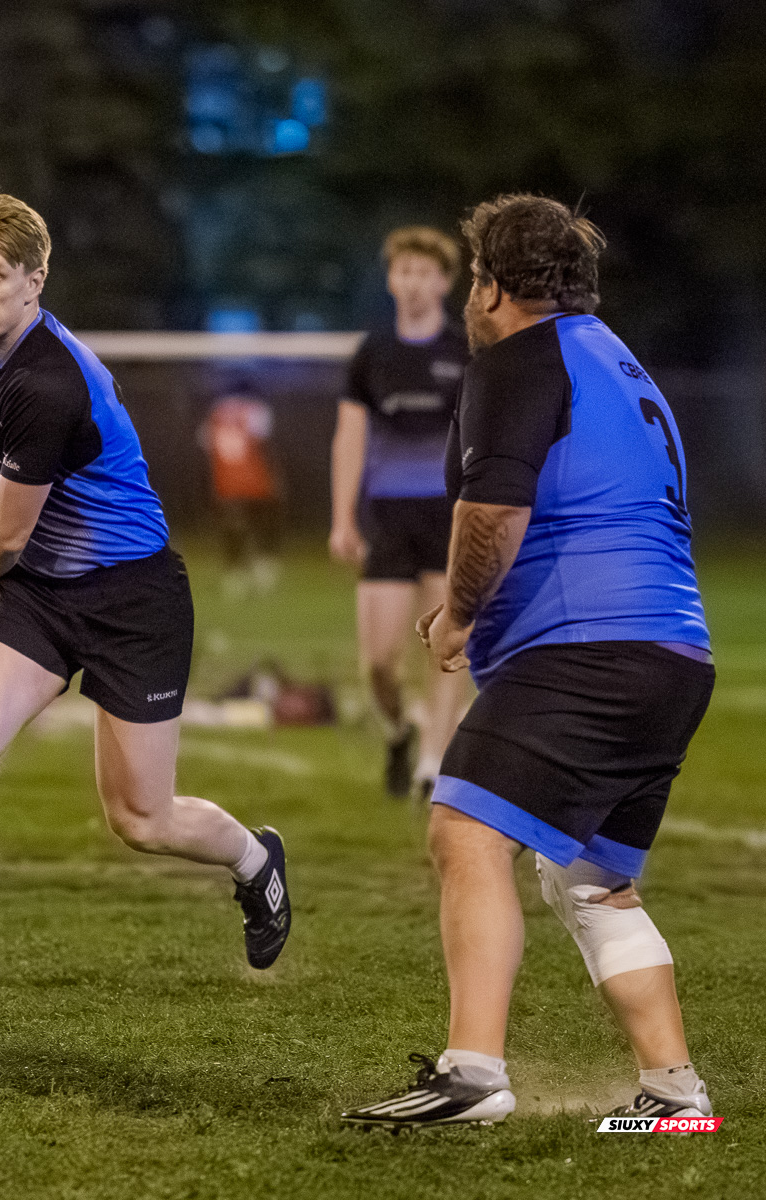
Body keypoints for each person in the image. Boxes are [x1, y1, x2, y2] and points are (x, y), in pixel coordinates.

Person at [343, 195, 715, 1128]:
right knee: (591, 877)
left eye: (474, 276)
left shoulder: (518, 358)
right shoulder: (616, 359)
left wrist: (460, 617)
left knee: (465, 833)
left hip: (589, 649)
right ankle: (674, 1094)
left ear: (498, 286)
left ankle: (472, 1075)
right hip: (672, 656)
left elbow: (494, 512)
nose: (471, 295)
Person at [0, 182, 290, 1006]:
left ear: (36, 280)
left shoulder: (49, 384)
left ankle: (255, 860)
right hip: (41, 591)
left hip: (130, 601)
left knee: (141, 820)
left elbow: (6, 539)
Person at [330, 228, 473, 799]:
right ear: (392, 280)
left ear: (444, 282)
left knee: (447, 647)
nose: (412, 282)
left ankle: (433, 764)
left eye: (424, 272)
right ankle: (397, 732)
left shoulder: (465, 353)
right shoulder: (373, 354)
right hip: (387, 518)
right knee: (380, 663)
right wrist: (342, 517)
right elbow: (349, 438)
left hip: (449, 516)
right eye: (403, 271)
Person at [197, 379, 282, 597]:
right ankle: (261, 569)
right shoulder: (255, 410)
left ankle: (236, 574)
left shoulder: (216, 412)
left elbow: (205, 442)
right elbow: (264, 438)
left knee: (232, 530)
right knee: (260, 526)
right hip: (256, 481)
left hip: (226, 483)